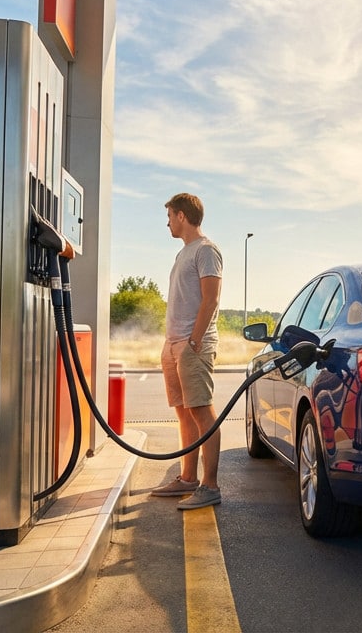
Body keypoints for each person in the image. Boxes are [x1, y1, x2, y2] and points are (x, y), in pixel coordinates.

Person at [150, 193, 224, 509]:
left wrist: (193, 342)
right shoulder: (183, 254)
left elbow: (211, 299)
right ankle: (188, 478)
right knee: (184, 412)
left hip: (193, 346)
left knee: (202, 412)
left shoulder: (206, 251)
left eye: (169, 216)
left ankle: (210, 486)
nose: (167, 222)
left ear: (182, 215)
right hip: (174, 345)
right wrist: (170, 344)